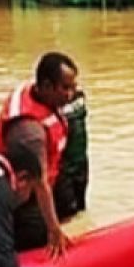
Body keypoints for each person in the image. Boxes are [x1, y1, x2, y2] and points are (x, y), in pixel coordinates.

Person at [0, 52, 79, 256]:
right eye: (65, 88)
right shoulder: (29, 131)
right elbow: (39, 182)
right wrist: (54, 229)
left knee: (71, 206)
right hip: (23, 200)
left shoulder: (39, 93)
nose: (71, 94)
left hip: (49, 174)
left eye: (73, 86)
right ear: (47, 86)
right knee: (36, 239)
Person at [54, 88, 90, 219]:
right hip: (63, 167)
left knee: (80, 208)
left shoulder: (79, 96)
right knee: (67, 212)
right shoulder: (52, 108)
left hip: (80, 161)